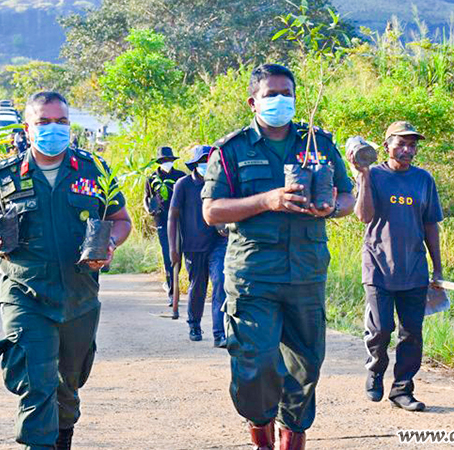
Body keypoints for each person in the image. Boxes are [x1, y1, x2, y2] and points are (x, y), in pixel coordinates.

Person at [201, 64, 355, 450]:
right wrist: (266, 201)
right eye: (271, 95)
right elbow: (212, 211)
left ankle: (292, 439)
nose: (281, 101)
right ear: (253, 102)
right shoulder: (232, 149)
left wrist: (330, 208)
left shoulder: (317, 142)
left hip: (306, 272)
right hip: (253, 275)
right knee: (256, 366)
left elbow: (348, 198)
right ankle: (261, 433)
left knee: (306, 367)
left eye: (287, 93)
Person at [0, 91, 132, 450]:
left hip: (79, 296)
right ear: (27, 129)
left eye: (60, 121)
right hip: (25, 295)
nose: (53, 129)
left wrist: (111, 244)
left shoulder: (95, 170)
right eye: (43, 122)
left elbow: (120, 220)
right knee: (36, 382)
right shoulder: (4, 176)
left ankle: (63, 438)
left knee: (66, 386)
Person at [350, 121, 444, 412]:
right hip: (378, 266)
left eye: (412, 145)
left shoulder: (423, 179)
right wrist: (363, 176)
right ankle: (376, 369)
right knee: (381, 328)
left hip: (414, 268)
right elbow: (364, 216)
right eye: (401, 143)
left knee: (412, 333)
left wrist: (437, 269)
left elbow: (431, 225)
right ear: (387, 145)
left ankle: (402, 389)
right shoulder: (374, 175)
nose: (407, 150)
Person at [168, 145, 227, 347]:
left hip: (218, 242)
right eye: (202, 162)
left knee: (220, 281)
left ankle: (219, 333)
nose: (205, 166)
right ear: (195, 164)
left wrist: (223, 223)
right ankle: (194, 323)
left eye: (208, 162)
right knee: (198, 287)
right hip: (193, 245)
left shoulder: (220, 183)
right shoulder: (183, 185)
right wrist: (173, 249)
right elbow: (172, 217)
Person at [142, 146, 185, 303]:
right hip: (161, 220)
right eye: (164, 161)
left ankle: (175, 283)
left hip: (180, 221)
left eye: (169, 160)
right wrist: (149, 210)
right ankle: (172, 292)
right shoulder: (152, 178)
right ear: (159, 162)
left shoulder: (181, 177)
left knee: (179, 254)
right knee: (168, 254)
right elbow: (146, 197)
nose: (167, 163)